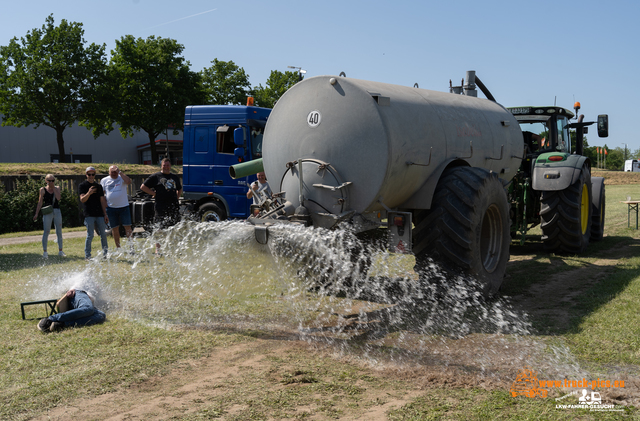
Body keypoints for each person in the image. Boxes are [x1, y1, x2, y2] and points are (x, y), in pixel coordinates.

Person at [140, 158, 183, 253]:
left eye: (168, 165)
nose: (166, 167)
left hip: (173, 206)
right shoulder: (156, 176)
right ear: (161, 166)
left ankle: (172, 248)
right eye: (164, 165)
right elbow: (143, 187)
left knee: (174, 228)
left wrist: (177, 197)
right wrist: (154, 194)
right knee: (159, 228)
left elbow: (179, 189)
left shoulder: (175, 177)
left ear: (170, 166)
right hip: (160, 206)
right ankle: (158, 250)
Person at [37, 289, 106, 333]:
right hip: (79, 294)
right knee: (88, 308)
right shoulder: (86, 279)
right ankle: (50, 319)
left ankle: (62, 324)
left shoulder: (96, 289)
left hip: (84, 304)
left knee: (101, 316)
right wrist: (72, 289)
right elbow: (78, 281)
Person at [78, 166, 109, 259]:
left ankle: (105, 254)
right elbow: (82, 200)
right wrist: (89, 193)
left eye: (93, 174)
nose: (91, 176)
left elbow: (102, 201)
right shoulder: (82, 186)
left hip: (99, 213)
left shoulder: (99, 186)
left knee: (103, 234)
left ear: (95, 175)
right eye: (89, 174)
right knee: (90, 235)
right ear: (86, 174)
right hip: (89, 214)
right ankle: (87, 255)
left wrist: (105, 214)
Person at [100, 165, 132, 249]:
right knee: (115, 228)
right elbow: (101, 194)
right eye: (112, 172)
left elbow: (128, 181)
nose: (114, 173)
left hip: (124, 206)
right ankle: (118, 248)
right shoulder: (104, 180)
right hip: (111, 208)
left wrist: (120, 172)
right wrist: (105, 203)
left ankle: (131, 247)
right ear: (109, 172)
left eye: (115, 172)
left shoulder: (121, 178)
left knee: (128, 227)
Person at [33, 174, 65, 258]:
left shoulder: (57, 188)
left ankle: (60, 251)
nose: (51, 182)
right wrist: (36, 213)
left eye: (52, 180)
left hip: (57, 211)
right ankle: (45, 252)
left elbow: (58, 198)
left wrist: (53, 188)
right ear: (46, 181)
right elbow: (40, 202)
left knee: (59, 231)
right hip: (47, 212)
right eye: (49, 181)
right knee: (46, 231)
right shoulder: (42, 190)